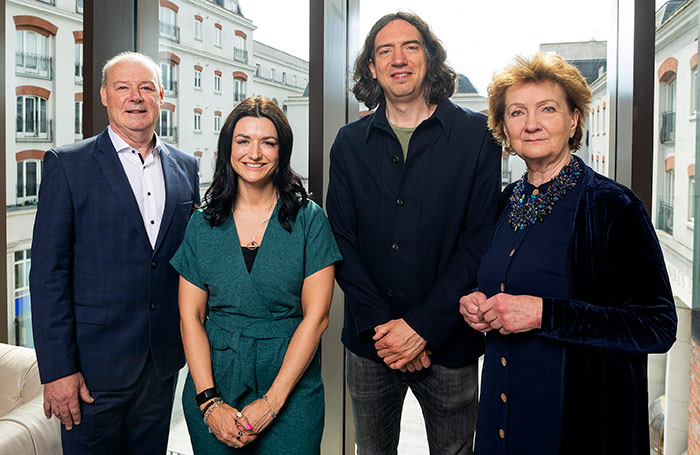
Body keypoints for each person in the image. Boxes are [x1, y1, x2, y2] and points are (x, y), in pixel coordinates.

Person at [459, 53, 678, 454]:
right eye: (517, 112)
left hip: (577, 430)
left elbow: (657, 325)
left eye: (547, 109)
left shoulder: (613, 206)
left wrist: (544, 313)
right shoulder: (505, 202)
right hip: (501, 423)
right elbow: (504, 283)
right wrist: (478, 301)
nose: (531, 124)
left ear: (574, 119)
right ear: (504, 129)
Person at [326, 12, 501, 454]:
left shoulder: (476, 136)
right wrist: (391, 332)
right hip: (372, 345)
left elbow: (478, 240)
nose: (398, 59)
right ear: (372, 67)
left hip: (450, 343)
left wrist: (421, 328)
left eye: (410, 47)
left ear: (430, 57)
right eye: (385, 51)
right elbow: (341, 241)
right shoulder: (348, 143)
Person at [29, 51, 200, 454]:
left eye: (145, 88)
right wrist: (58, 371)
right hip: (90, 373)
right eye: (123, 87)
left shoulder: (186, 167)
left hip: (160, 367)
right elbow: (47, 276)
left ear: (161, 95)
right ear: (105, 96)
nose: (134, 97)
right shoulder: (67, 165)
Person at [171, 96, 341, 454]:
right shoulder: (202, 223)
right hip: (213, 381)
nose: (255, 152)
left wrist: (272, 403)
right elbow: (191, 316)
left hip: (290, 388)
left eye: (268, 142)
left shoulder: (310, 219)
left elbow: (318, 317)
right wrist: (209, 403)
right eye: (243, 140)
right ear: (227, 149)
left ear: (282, 151)